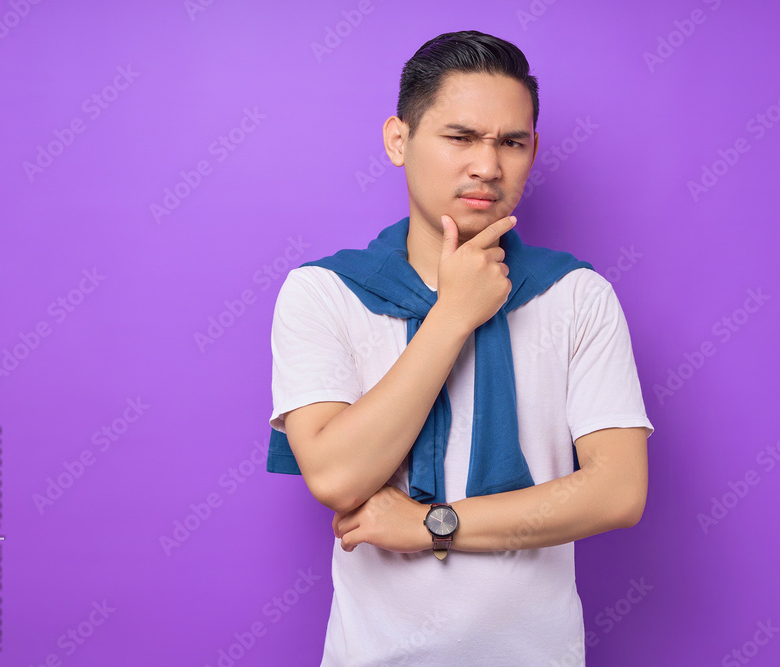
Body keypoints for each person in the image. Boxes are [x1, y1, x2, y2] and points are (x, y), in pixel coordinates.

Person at [267, 29, 654, 666]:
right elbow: (337, 476)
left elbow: (617, 492)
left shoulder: (577, 295)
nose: (488, 166)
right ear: (399, 140)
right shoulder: (325, 292)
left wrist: (432, 524)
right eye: (460, 137)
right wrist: (452, 316)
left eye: (512, 142)